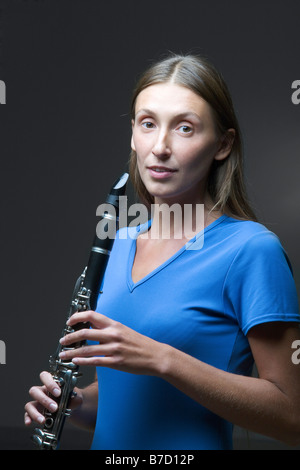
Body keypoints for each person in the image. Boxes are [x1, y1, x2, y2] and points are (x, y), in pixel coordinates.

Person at [24, 53, 300, 450]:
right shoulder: (117, 245)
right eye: (148, 124)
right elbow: (126, 398)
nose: (160, 147)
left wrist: (164, 359)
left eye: (185, 128)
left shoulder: (252, 250)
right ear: (133, 134)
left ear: (223, 144)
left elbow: (292, 418)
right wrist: (74, 403)